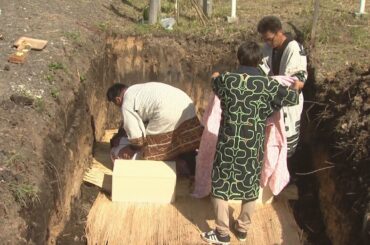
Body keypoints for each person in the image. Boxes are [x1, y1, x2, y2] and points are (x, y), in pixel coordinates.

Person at [201, 41, 301, 245]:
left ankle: (221, 233)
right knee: (250, 186)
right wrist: (293, 88)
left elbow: (214, 82)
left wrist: (216, 75)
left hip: (228, 143)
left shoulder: (227, 80)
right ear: (260, 61)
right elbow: (292, 98)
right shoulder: (268, 85)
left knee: (220, 186)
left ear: (238, 59)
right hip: (252, 145)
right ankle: (242, 229)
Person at [106, 82, 203, 173]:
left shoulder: (126, 103)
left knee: (153, 152)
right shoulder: (137, 90)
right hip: (186, 103)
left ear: (118, 99)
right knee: (184, 141)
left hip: (166, 112)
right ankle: (194, 169)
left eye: (116, 104)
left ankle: (178, 167)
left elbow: (135, 135)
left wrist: (132, 148)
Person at [257, 15, 307, 156]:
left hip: (287, 101)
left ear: (279, 32)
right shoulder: (267, 47)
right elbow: (262, 68)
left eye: (270, 39)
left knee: (285, 145)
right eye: (265, 39)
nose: (267, 42)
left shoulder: (294, 49)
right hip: (271, 99)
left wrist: (276, 85)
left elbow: (298, 79)